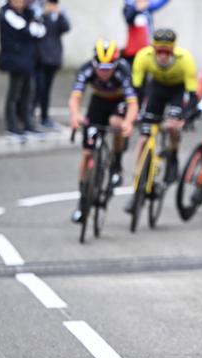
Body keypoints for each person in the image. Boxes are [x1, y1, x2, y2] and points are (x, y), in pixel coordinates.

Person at [124, 27, 197, 212]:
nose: (163, 56)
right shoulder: (143, 57)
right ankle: (137, 184)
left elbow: (192, 95)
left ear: (173, 50)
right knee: (144, 135)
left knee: (173, 125)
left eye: (167, 52)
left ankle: (172, 157)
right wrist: (136, 112)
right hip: (155, 89)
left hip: (176, 91)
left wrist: (185, 117)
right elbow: (136, 89)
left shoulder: (185, 60)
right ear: (153, 49)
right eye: (159, 51)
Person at [68, 39, 138, 223]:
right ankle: (83, 201)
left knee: (116, 123)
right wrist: (75, 115)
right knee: (86, 153)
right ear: (93, 63)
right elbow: (75, 97)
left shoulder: (123, 71)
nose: (105, 73)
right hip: (98, 102)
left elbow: (133, 103)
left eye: (109, 68)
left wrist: (129, 123)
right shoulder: (86, 70)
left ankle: (116, 164)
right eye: (101, 68)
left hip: (118, 102)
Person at [0, 0, 46, 137]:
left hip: (28, 60)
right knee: (14, 94)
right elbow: (26, 30)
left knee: (28, 93)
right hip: (15, 60)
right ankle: (12, 125)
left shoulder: (28, 12)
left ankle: (27, 123)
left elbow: (41, 31)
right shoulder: (6, 13)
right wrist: (32, 27)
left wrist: (34, 26)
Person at [34, 0, 70, 128]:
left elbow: (66, 28)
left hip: (53, 59)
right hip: (40, 59)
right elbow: (35, 30)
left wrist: (60, 15)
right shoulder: (39, 13)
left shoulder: (60, 15)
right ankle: (30, 115)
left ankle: (44, 117)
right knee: (38, 89)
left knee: (46, 91)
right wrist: (43, 14)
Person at [121, 0, 170, 67]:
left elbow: (158, 4)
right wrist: (136, 8)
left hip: (147, 49)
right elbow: (128, 18)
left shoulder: (147, 9)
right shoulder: (129, 7)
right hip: (133, 51)